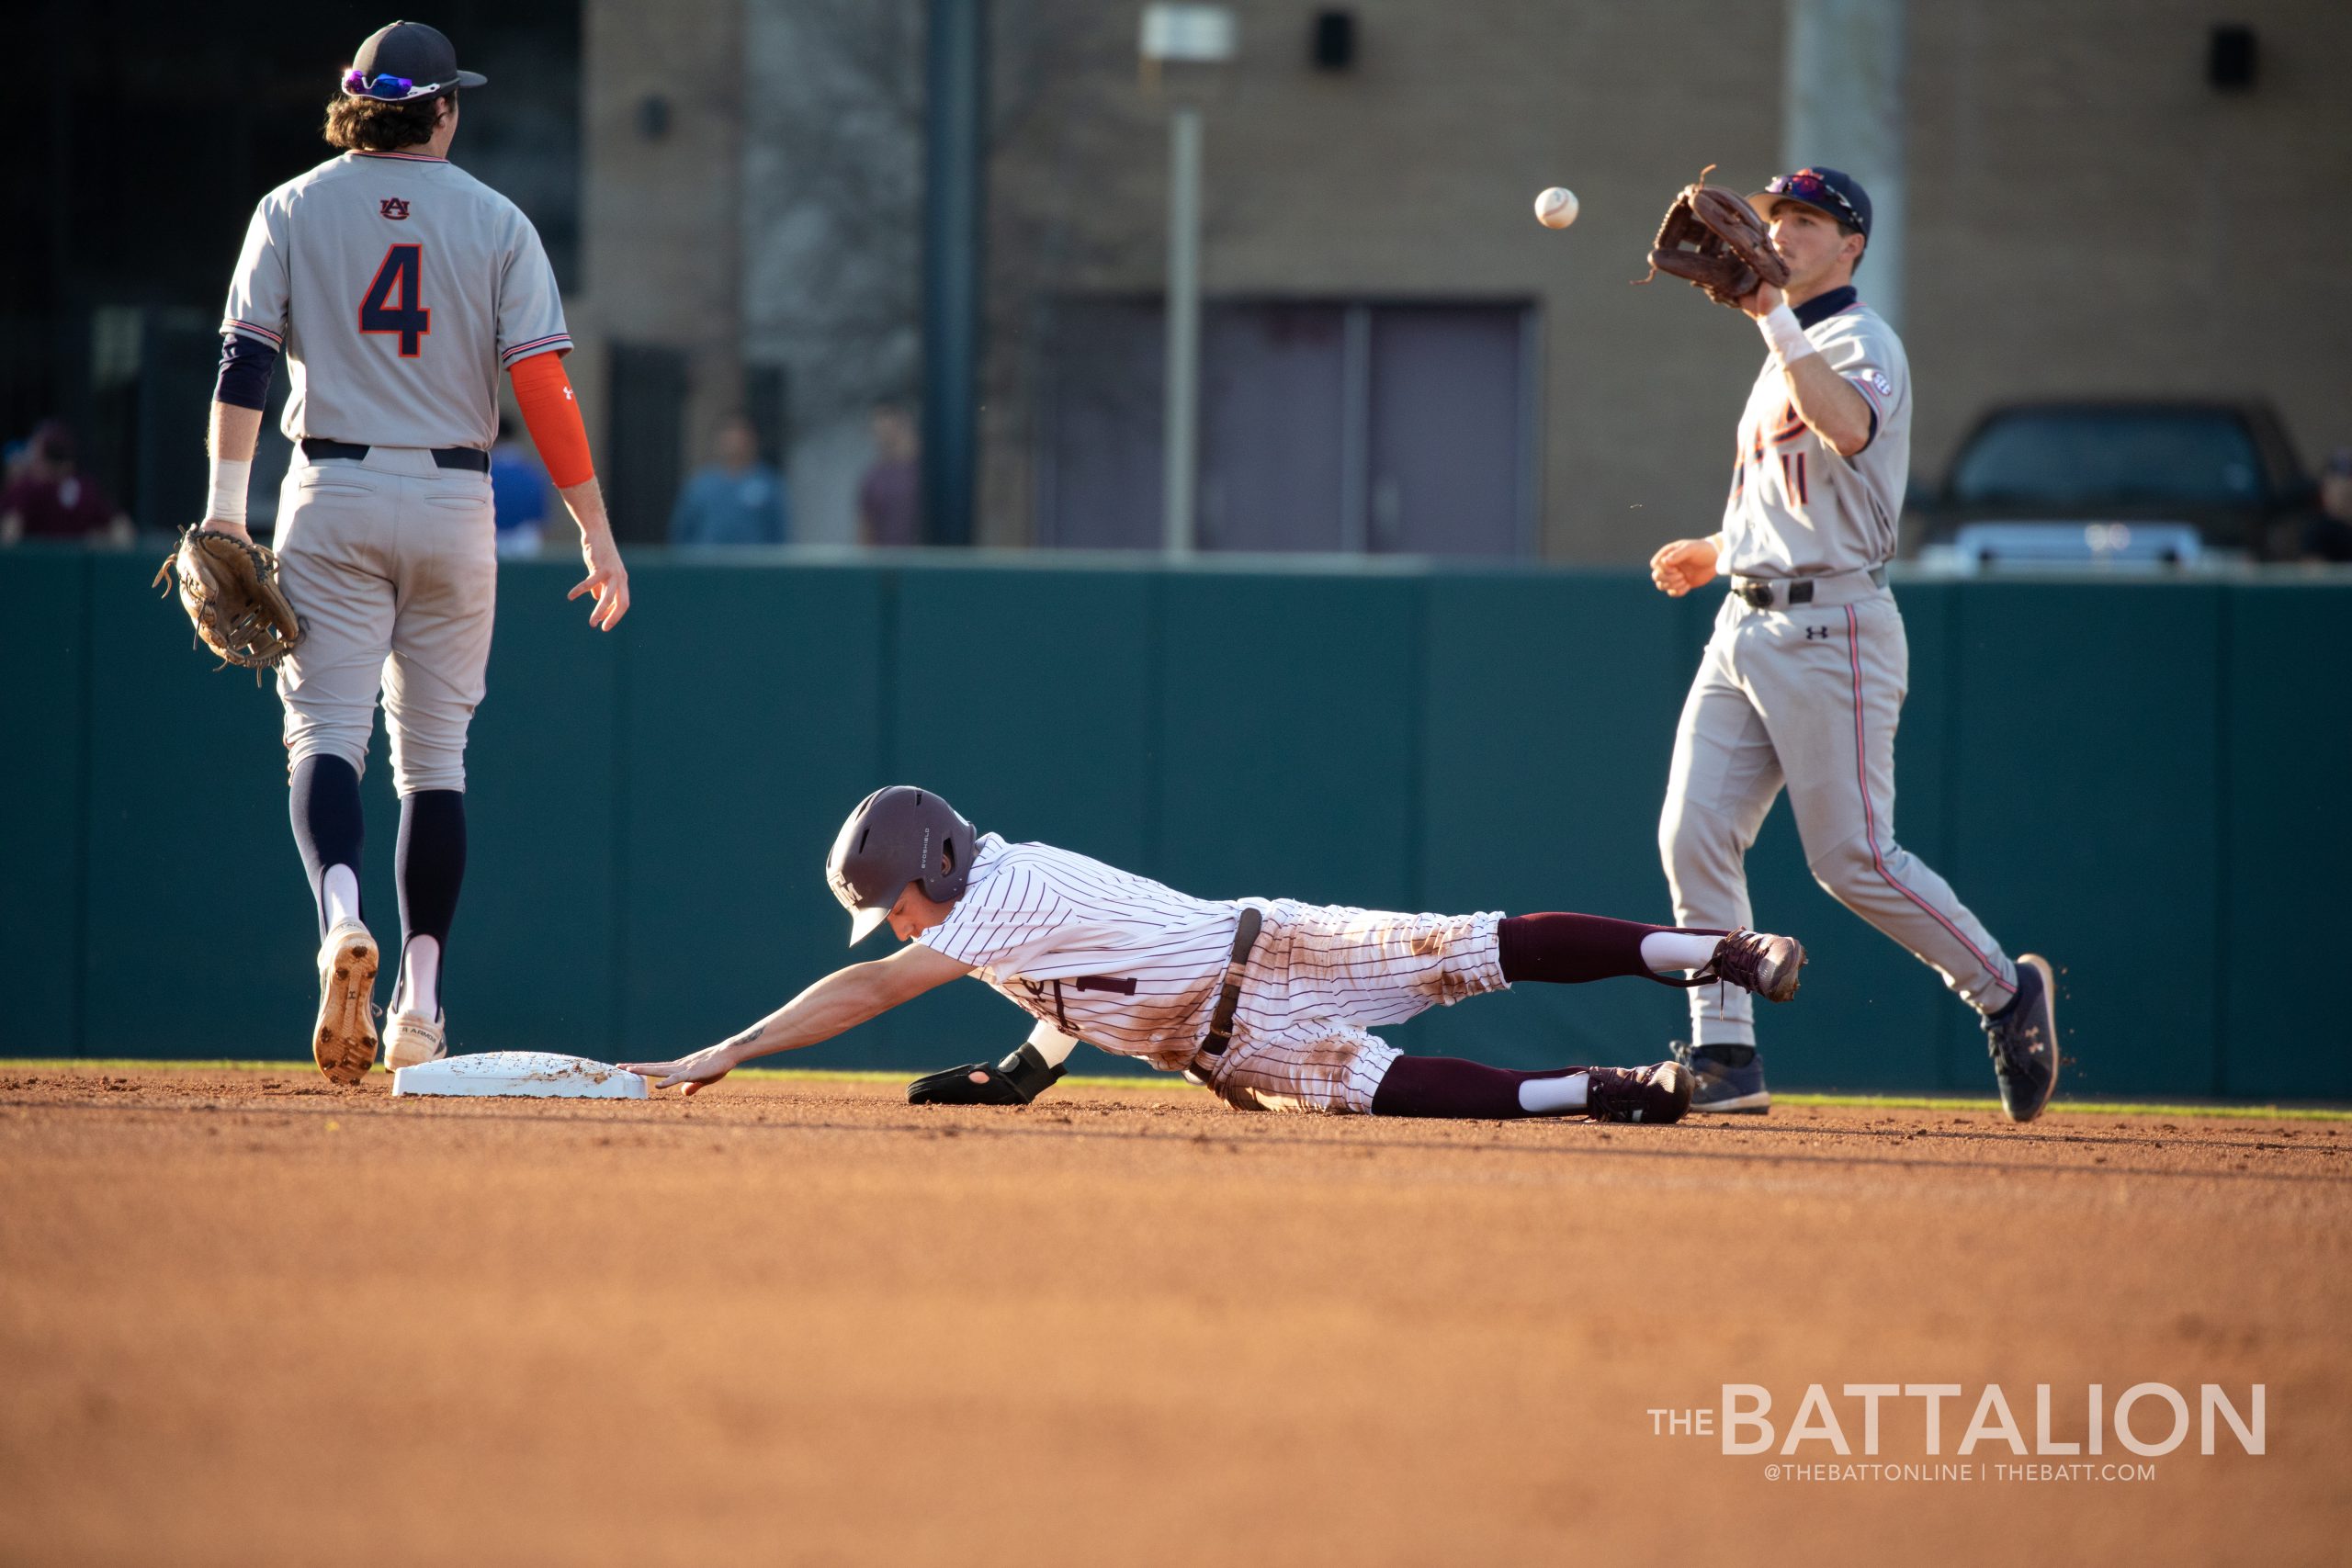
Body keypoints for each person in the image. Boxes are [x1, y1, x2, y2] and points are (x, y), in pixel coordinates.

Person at [200, 20, 630, 1084]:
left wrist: (222, 510)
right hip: (453, 499)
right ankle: (422, 1006)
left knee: (325, 740)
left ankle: (340, 919)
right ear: (440, 110)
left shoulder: (290, 206)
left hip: (330, 488)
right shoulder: (495, 220)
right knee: (433, 763)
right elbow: (544, 389)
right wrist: (596, 530)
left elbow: (244, 366)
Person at [621, 786, 1814, 1123]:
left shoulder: (998, 884)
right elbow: (1071, 974)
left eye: (897, 901)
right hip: (1229, 1033)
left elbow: (874, 988)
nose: (896, 923)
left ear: (936, 862)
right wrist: (1029, 1066)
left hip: (1270, 945)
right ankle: (1615, 1091)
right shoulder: (992, 903)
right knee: (1385, 1090)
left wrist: (734, 1046)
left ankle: (1726, 951)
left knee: (1477, 948)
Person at [1645, 166, 2057, 1122]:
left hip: (1832, 626)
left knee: (1852, 859)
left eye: (1805, 220)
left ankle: (2004, 991)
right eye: (1777, 214)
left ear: (1851, 245)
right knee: (1692, 831)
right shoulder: (1783, 345)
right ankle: (1725, 1052)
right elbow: (1781, 491)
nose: (1781, 232)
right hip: (1744, 622)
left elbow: (1846, 427)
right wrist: (1718, 548)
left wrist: (1769, 319)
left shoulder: (1863, 341)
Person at [0, 422, 133, 547]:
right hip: (73, 568)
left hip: (32, 569)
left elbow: (9, 535)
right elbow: (123, 532)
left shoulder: (26, 488)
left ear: (42, 459)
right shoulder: (86, 488)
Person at [669, 414, 788, 545]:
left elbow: (779, 534)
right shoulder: (701, 485)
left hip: (752, 563)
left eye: (740, 435)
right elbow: (682, 532)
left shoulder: (768, 483)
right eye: (728, 435)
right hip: (707, 563)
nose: (734, 442)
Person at [856, 404, 920, 547]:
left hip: (924, 561)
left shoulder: (927, 473)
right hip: (885, 564)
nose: (881, 433)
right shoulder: (873, 479)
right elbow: (865, 532)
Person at [489, 413, 550, 557]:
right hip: (525, 541)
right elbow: (542, 515)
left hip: (490, 539)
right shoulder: (533, 469)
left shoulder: (484, 470)